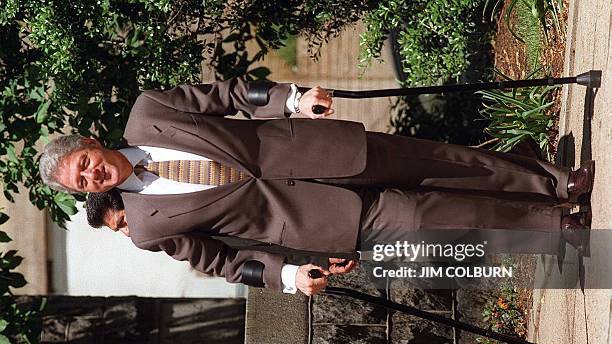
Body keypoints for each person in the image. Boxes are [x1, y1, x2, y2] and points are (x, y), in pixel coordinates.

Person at [39, 77, 595, 295]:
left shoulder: (149, 110)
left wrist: (291, 97)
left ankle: (557, 181)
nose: (92, 176)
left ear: (91, 143)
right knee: (432, 217)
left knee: (442, 162)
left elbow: (231, 96)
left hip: (317, 146)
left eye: (84, 163)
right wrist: (286, 274)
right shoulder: (144, 230)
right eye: (82, 183)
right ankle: (556, 224)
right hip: (316, 220)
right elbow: (220, 262)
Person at [85, 189, 356, 283]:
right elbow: (238, 253)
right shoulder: (169, 238)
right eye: (119, 230)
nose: (128, 232)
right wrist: (317, 259)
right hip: (332, 241)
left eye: (122, 222)